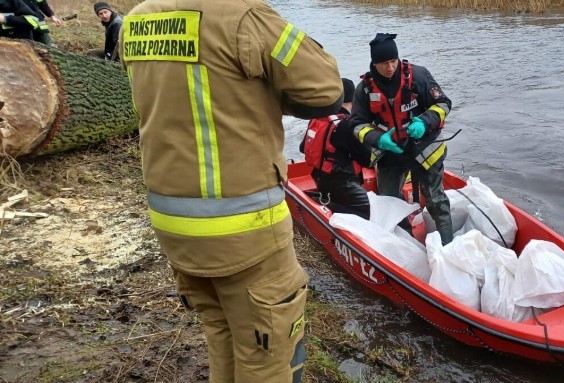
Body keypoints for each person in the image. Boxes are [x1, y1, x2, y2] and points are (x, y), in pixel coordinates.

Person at [119, 0, 343, 381]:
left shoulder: (136, 21)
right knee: (270, 354)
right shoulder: (244, 17)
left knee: (222, 337)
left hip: (174, 225)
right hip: (245, 231)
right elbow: (326, 91)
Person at [350, 33, 455, 245]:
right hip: (391, 151)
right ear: (374, 63)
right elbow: (356, 124)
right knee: (389, 200)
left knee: (436, 200)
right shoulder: (365, 89)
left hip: (424, 147)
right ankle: (408, 244)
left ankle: (448, 246)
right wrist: (378, 139)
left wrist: (425, 121)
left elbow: (443, 104)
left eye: (393, 61)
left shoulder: (417, 76)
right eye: (383, 63)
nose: (390, 67)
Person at [299, 78, 373, 220]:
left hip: (320, 177)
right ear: (354, 99)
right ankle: (320, 203)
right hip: (343, 183)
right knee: (368, 213)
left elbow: (303, 148)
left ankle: (323, 200)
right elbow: (367, 159)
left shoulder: (318, 119)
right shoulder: (346, 125)